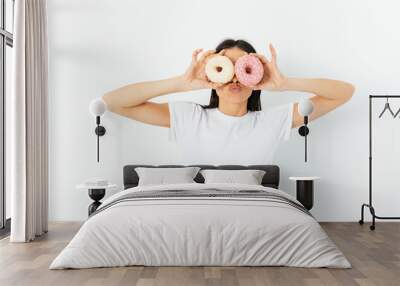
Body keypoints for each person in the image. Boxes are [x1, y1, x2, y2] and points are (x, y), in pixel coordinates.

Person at [102, 39, 355, 165]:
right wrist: (182, 82)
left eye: (243, 68)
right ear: (213, 72)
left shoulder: (272, 121)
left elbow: (344, 92)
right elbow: (113, 102)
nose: (234, 77)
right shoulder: (190, 117)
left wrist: (285, 83)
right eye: (226, 67)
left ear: (256, 76)